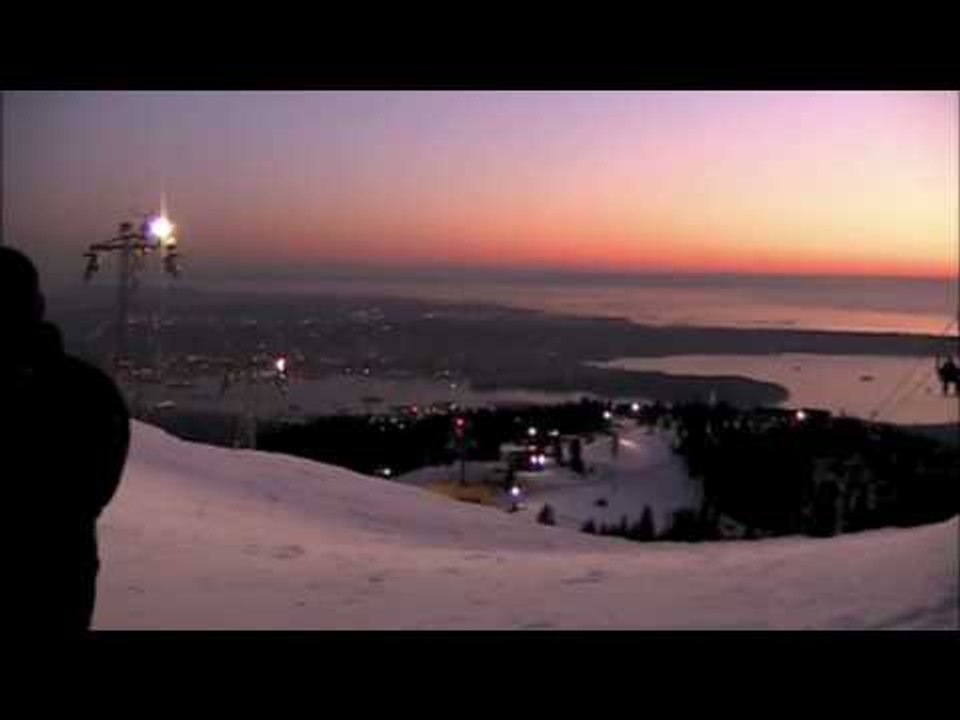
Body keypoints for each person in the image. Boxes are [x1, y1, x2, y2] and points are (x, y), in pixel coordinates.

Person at [1, 246, 130, 632]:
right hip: (61, 576)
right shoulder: (89, 389)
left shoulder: (84, 389)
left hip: (57, 578)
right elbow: (95, 490)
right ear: (38, 306)